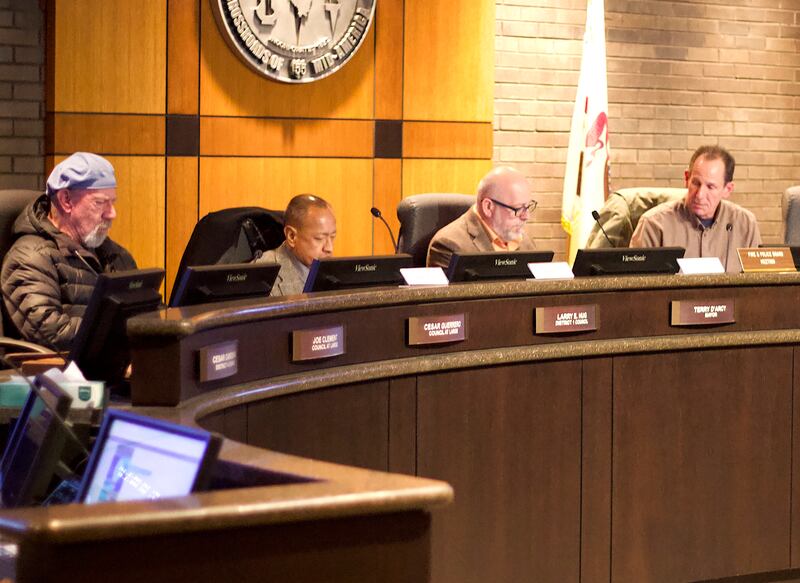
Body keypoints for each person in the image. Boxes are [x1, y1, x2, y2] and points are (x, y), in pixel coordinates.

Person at [1, 152, 136, 351]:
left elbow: (148, 312)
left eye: (112, 202)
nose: (112, 214)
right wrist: (122, 333)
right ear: (66, 201)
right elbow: (50, 332)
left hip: (114, 367)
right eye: (100, 203)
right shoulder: (30, 257)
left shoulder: (116, 255)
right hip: (58, 375)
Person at [630, 145, 762, 273]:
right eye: (696, 183)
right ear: (687, 178)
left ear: (727, 189)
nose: (699, 195)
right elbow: (635, 286)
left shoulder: (746, 224)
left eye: (710, 187)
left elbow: (759, 286)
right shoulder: (654, 224)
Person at [426, 166, 538, 268]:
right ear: (488, 207)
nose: (526, 216)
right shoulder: (449, 245)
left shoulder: (526, 241)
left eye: (528, 207)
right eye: (518, 209)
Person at [256, 194, 336, 296]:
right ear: (292, 236)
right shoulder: (262, 278)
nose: (329, 248)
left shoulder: (332, 274)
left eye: (332, 237)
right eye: (319, 238)